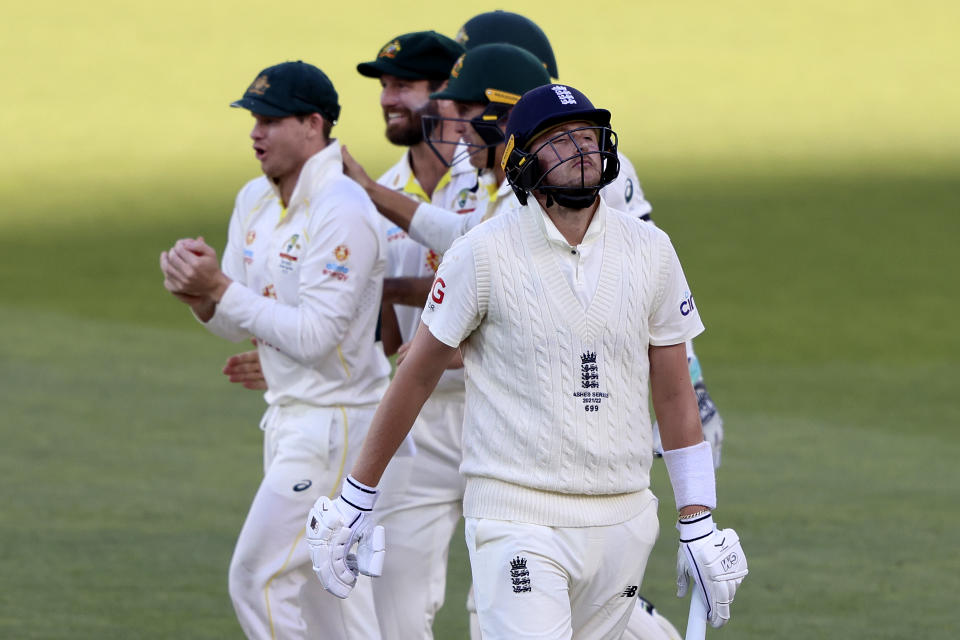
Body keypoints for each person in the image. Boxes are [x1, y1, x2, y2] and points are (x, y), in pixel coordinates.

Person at [306, 83, 747, 639]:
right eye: (560, 140)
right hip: (518, 518)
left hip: (624, 518)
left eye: (587, 135)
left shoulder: (652, 251)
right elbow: (415, 375)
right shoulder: (481, 253)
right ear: (523, 163)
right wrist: (355, 498)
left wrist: (698, 518)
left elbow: (675, 391)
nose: (581, 148)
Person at [159, 60, 388, 639]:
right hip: (291, 422)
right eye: (253, 119)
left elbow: (315, 338)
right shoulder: (254, 201)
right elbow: (233, 322)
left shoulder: (344, 209)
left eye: (270, 119)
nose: (256, 132)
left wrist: (220, 289)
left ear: (314, 124)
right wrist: (198, 294)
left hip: (338, 425)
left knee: (256, 577)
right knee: (332, 601)